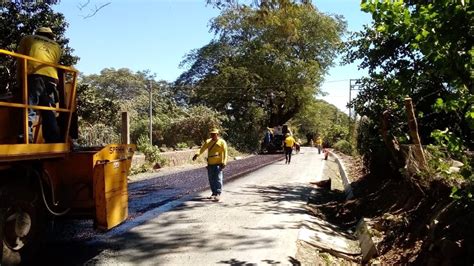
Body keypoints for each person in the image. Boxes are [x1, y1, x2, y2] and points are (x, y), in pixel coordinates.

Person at [17, 26, 62, 143]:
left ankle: (26, 138)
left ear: (37, 33)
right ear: (51, 36)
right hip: (52, 78)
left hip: (34, 75)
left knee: (29, 107)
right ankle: (53, 139)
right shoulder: (57, 46)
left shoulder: (28, 38)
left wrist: (19, 81)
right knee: (48, 110)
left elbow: (20, 61)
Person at [192, 128, 228, 201]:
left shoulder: (222, 142)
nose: (212, 135)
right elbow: (202, 149)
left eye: (214, 134)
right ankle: (213, 193)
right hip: (210, 164)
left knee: (218, 179)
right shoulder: (208, 142)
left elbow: (225, 153)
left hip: (218, 164)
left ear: (217, 134)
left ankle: (218, 193)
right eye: (211, 134)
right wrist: (197, 154)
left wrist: (224, 162)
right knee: (211, 179)